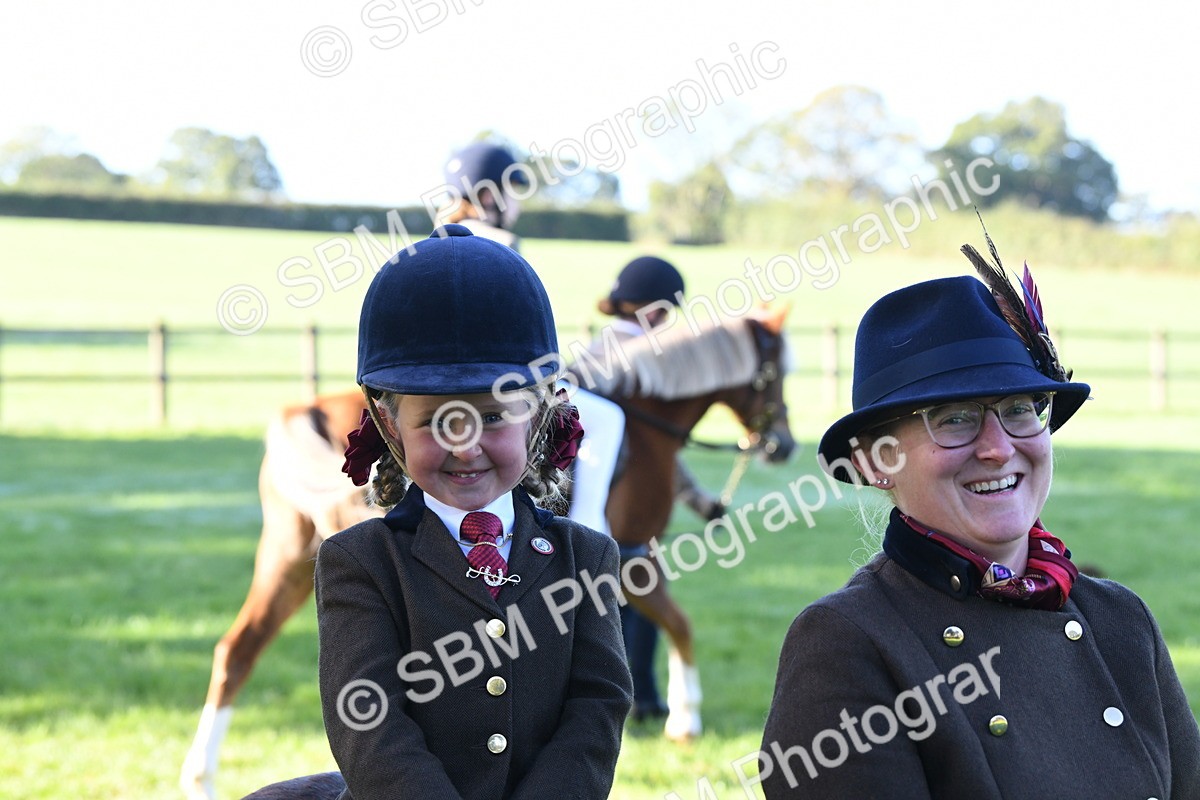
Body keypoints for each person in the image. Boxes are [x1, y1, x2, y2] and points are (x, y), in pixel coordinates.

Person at [761, 242, 1200, 797]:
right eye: (955, 419)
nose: (998, 447)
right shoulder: (849, 642)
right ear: (876, 462)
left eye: (1019, 409)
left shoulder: (1121, 620)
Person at [315, 224, 633, 799]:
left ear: (536, 415)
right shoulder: (359, 562)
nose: (465, 445)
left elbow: (598, 709)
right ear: (391, 426)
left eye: (491, 416)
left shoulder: (585, 558)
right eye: (437, 420)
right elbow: (370, 723)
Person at [570, 255, 725, 724]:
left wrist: (697, 499)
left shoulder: (608, 346)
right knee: (636, 598)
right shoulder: (636, 357)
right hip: (611, 510)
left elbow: (657, 452)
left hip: (625, 506)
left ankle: (644, 697)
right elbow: (654, 450)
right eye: (667, 314)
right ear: (655, 311)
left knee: (638, 597)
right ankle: (642, 698)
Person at [435, 142, 527, 252]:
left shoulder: (436, 240)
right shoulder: (504, 244)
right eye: (513, 192)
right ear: (489, 196)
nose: (519, 206)